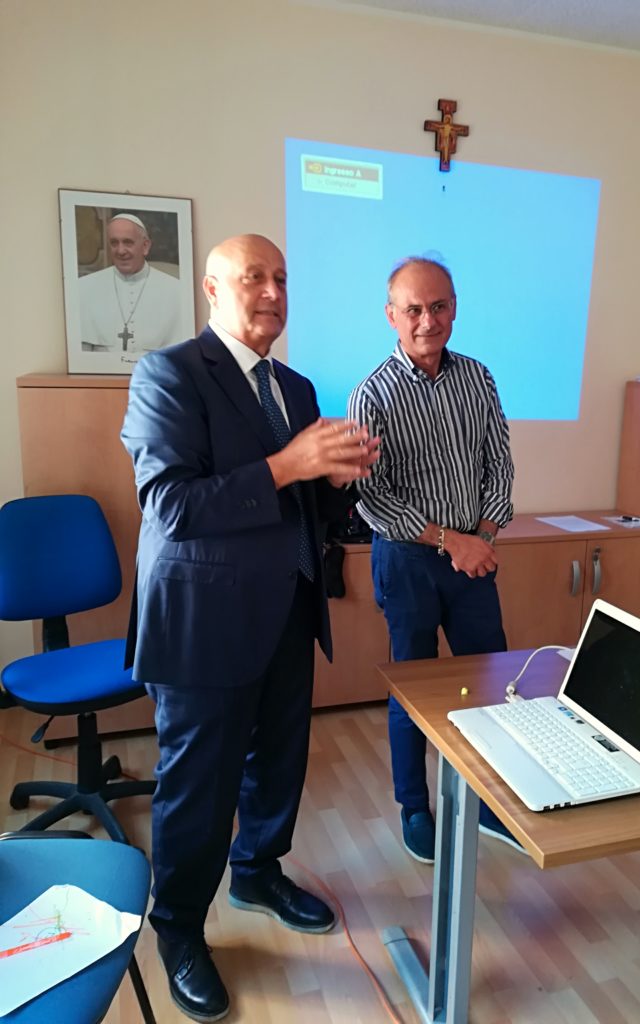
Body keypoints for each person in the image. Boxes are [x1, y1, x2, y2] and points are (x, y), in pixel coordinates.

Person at [121, 233, 379, 1023]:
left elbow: (302, 501)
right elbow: (172, 506)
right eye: (253, 277)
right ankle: (179, 929)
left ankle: (259, 871)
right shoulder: (168, 374)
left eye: (282, 278)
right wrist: (290, 464)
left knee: (279, 763)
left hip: (289, 605)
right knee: (199, 787)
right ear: (211, 287)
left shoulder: (294, 387)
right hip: (202, 622)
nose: (272, 292)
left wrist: (339, 481)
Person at [348, 256, 523, 863]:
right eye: (414, 309)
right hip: (408, 561)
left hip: (475, 557)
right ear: (391, 315)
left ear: (455, 308)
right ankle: (415, 808)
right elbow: (371, 497)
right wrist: (452, 541)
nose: (428, 321)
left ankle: (489, 801)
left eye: (440, 306)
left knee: (491, 685)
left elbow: (499, 462)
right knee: (414, 690)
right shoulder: (372, 394)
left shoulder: (478, 377)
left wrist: (485, 534)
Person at [79, 213, 183, 356]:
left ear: (145, 246)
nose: (120, 251)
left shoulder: (176, 290)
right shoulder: (84, 287)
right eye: (114, 243)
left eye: (128, 242)